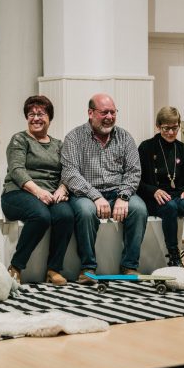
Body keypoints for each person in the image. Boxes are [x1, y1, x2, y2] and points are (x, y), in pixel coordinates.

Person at [61, 93, 148, 284]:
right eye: (104, 112)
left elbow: (134, 171)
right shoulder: (74, 138)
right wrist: (95, 196)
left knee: (139, 209)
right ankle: (88, 269)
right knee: (84, 212)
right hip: (86, 194)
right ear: (91, 113)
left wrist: (124, 197)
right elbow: (70, 174)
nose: (110, 116)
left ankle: (129, 266)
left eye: (113, 112)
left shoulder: (125, 137)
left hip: (118, 192)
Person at [1, 95, 74, 285]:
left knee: (66, 216)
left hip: (50, 195)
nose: (35, 118)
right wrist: (38, 192)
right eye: (31, 114)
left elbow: (68, 170)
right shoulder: (19, 139)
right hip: (18, 193)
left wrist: (63, 188)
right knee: (41, 216)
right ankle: (16, 266)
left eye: (40, 114)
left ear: (49, 117)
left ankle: (53, 270)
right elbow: (16, 170)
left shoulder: (59, 144)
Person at [137, 106, 184, 269]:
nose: (171, 133)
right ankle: (174, 256)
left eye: (175, 128)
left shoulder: (183, 149)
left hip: (178, 195)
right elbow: (138, 182)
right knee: (170, 206)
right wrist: (154, 191)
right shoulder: (146, 148)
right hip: (155, 198)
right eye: (166, 128)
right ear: (158, 127)